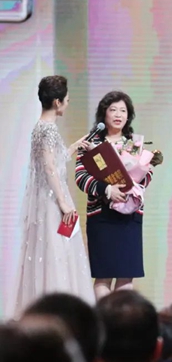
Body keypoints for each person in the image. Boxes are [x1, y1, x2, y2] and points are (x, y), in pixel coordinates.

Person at [8, 75, 95, 318]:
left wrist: (75, 146)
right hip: (53, 201)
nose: (67, 103)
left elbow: (55, 161)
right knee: (56, 252)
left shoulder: (41, 127)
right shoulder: (47, 129)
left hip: (48, 198)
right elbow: (49, 168)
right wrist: (64, 203)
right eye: (66, 99)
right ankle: (59, 314)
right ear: (57, 102)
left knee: (48, 252)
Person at [75, 91, 160, 299]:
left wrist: (136, 182)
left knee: (126, 276)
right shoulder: (90, 143)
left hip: (129, 216)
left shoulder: (134, 143)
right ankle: (104, 319)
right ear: (104, 114)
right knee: (103, 276)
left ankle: (120, 319)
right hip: (101, 216)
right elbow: (80, 177)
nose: (118, 115)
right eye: (113, 110)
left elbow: (146, 175)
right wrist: (108, 190)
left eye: (123, 110)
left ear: (128, 115)